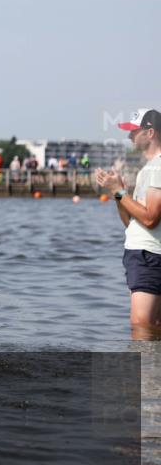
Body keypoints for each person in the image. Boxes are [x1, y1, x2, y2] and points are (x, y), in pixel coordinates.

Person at [95, 108, 161, 339]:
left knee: (142, 327)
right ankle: (150, 375)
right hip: (146, 254)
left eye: (134, 131)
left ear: (150, 133)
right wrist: (118, 193)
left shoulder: (158, 168)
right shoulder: (149, 169)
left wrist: (120, 191)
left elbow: (150, 219)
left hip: (150, 257)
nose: (129, 136)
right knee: (150, 327)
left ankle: (145, 376)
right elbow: (132, 223)